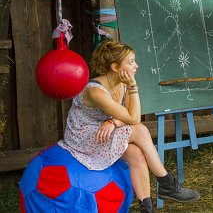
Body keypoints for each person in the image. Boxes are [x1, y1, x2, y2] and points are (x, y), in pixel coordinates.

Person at [58, 40, 200, 213]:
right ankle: (166, 183)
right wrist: (132, 87)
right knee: (140, 130)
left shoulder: (121, 83)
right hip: (85, 135)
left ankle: (147, 208)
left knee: (136, 153)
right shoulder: (95, 91)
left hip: (105, 129)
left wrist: (114, 122)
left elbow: (130, 116)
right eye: (131, 62)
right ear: (115, 67)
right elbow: (135, 119)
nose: (136, 66)